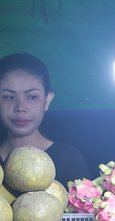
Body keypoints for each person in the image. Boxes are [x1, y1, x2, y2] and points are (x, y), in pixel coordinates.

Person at [0, 53, 92, 186]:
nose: (20, 108)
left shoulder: (69, 159)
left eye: (32, 97)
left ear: (47, 100)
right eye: (8, 97)